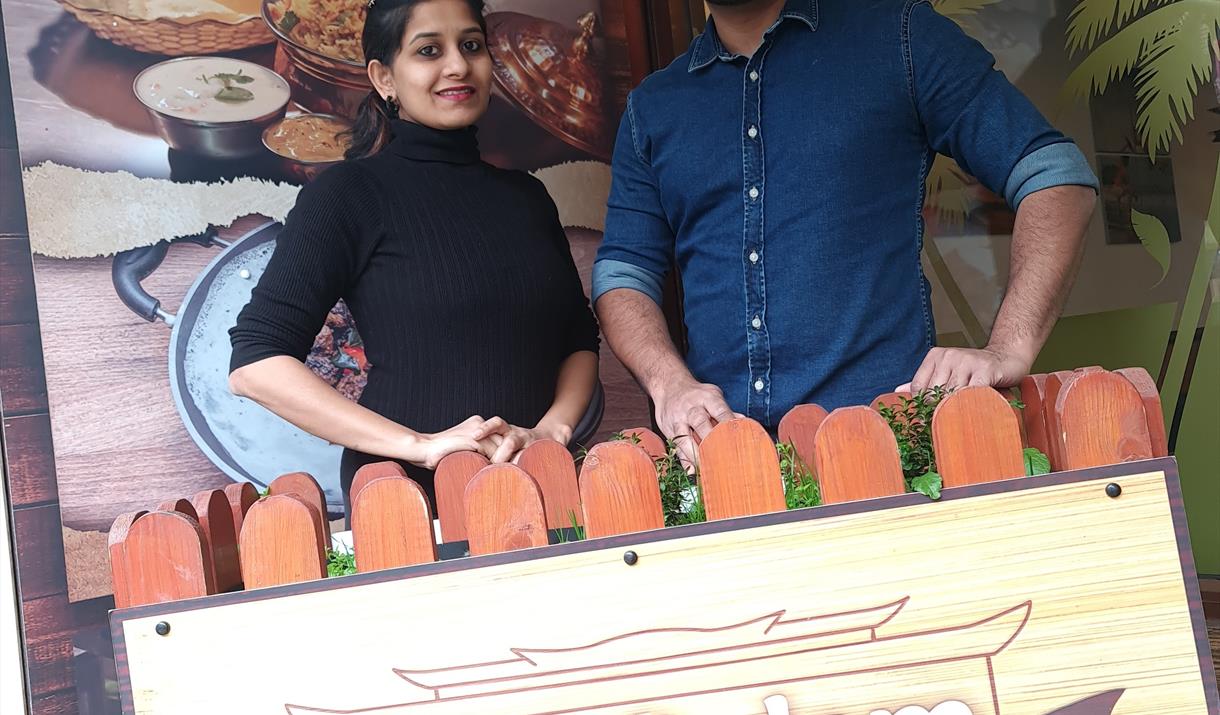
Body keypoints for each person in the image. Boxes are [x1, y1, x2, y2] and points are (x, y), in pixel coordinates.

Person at [592, 0, 1098, 463]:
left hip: (892, 452)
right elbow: (622, 274)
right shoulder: (652, 109)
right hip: (725, 468)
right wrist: (670, 385)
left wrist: (1008, 348)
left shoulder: (900, 39)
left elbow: (1054, 176)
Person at [228, 0, 599, 516]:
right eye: (429, 50)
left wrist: (551, 431)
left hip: (542, 484)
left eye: (471, 46)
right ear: (384, 78)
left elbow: (579, 340)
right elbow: (255, 364)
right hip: (405, 501)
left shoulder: (528, 197)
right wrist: (421, 446)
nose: (457, 65)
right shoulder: (348, 194)